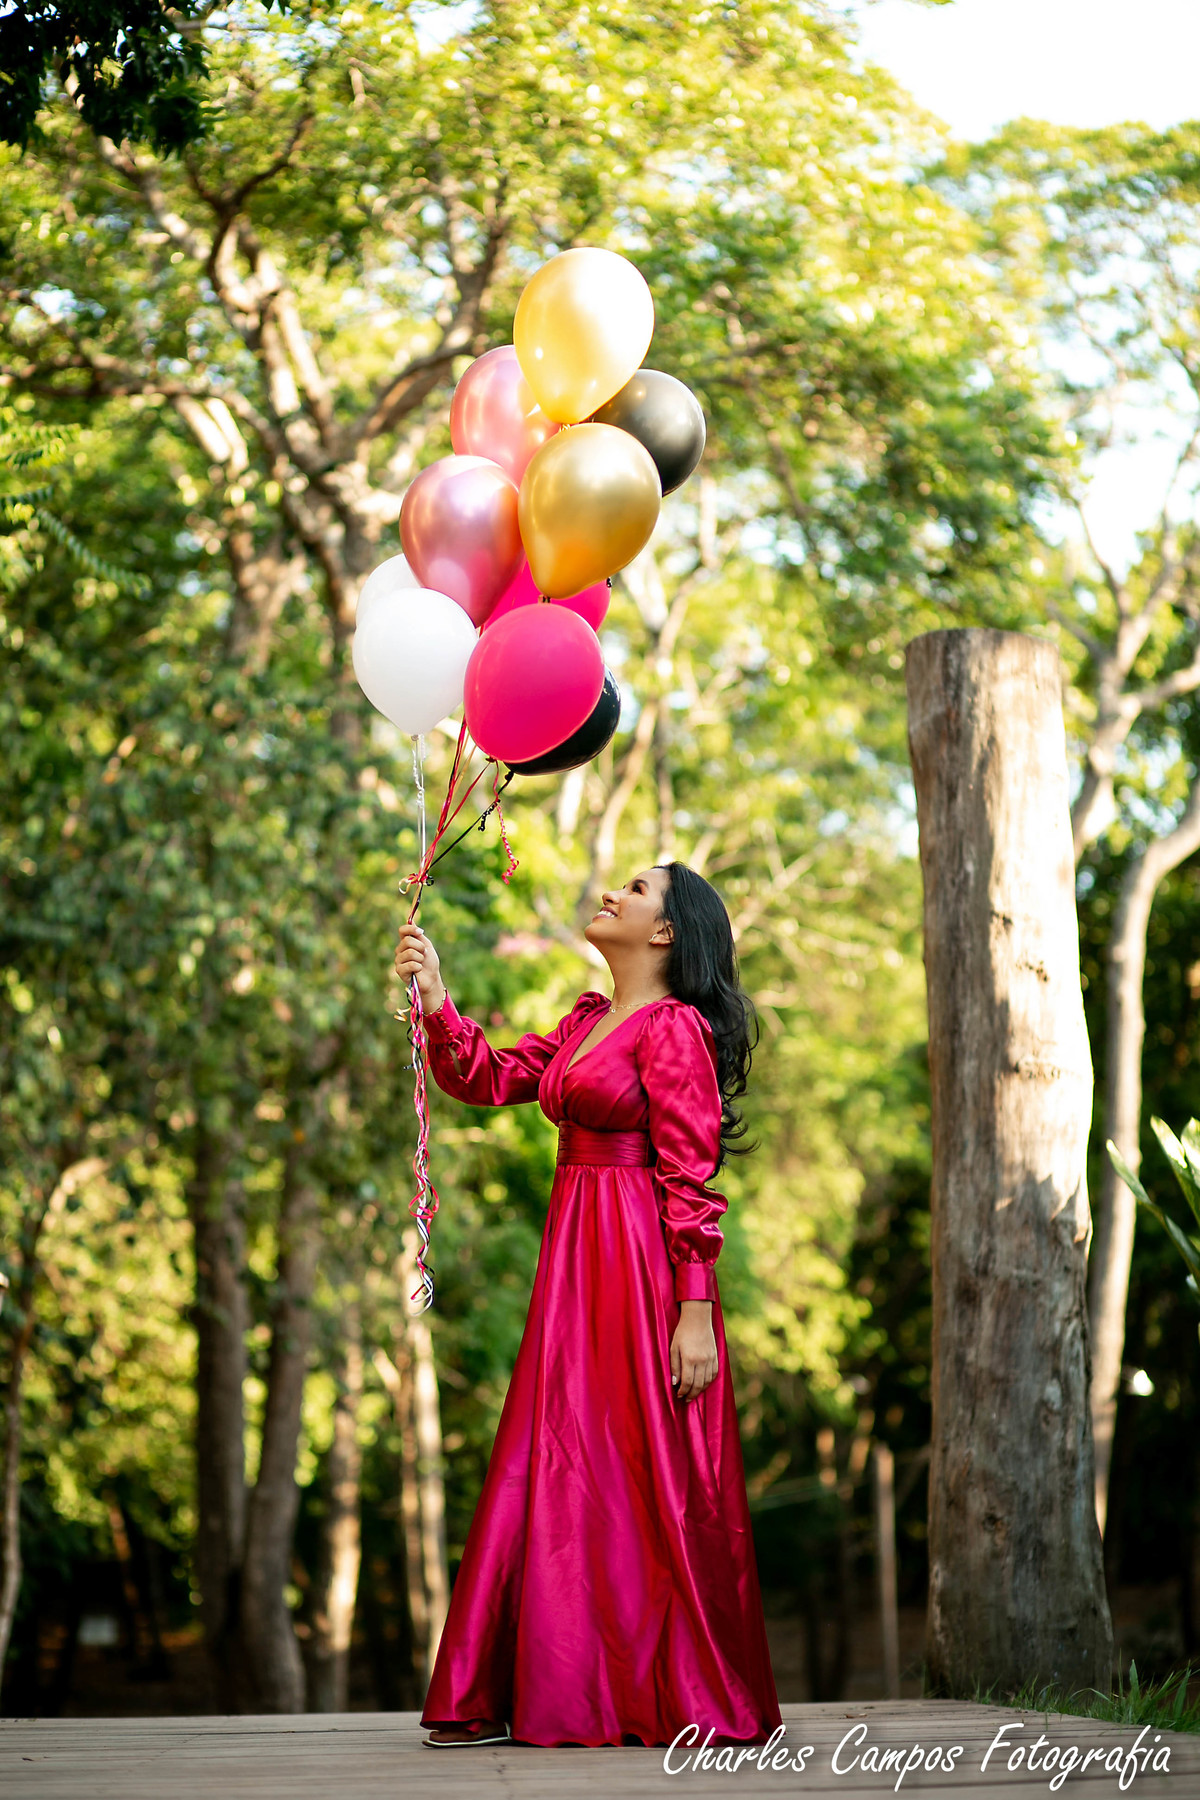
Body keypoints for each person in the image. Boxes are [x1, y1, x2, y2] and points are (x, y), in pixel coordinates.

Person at [393, 862, 781, 1749]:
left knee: (645, 1465)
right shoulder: (585, 1023)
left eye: (636, 890)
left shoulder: (673, 1028)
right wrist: (438, 996)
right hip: (574, 1260)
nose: (613, 893)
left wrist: (693, 1310)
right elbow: (485, 1076)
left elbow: (690, 1177)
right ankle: (556, 1689)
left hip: (641, 1266)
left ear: (666, 932)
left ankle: (669, 1691)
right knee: (562, 1455)